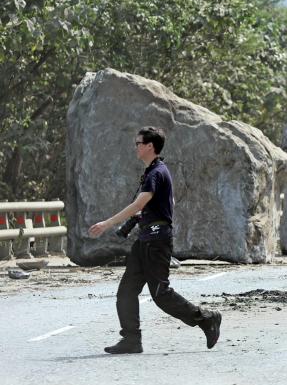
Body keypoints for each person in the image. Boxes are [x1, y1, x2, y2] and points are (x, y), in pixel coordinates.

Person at [88, 126, 221, 354]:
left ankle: (206, 318)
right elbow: (160, 205)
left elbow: (138, 204)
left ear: (150, 146)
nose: (136, 147)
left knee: (161, 294)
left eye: (138, 143)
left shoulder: (156, 173)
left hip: (157, 241)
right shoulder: (153, 172)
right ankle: (131, 339)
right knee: (127, 291)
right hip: (145, 240)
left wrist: (106, 224)